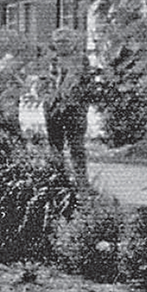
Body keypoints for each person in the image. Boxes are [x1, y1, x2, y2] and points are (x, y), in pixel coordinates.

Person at [43, 27, 91, 187]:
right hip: (53, 109)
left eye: (65, 41)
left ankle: (82, 181)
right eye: (58, 42)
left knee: (76, 145)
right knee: (55, 144)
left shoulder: (81, 59)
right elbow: (43, 83)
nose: (61, 45)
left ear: (73, 42)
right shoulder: (51, 60)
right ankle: (58, 179)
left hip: (74, 109)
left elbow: (81, 82)